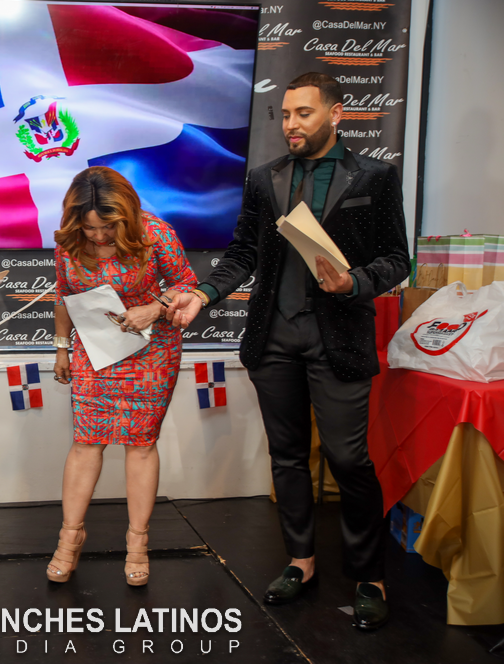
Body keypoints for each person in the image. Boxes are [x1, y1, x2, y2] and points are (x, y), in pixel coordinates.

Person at [166, 72, 409, 630]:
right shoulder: (264, 178)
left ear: (336, 114)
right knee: (288, 457)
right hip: (273, 339)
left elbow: (398, 259)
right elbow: (242, 253)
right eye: (286, 114)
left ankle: (369, 575)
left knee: (349, 460)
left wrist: (355, 281)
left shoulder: (374, 176)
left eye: (304, 113)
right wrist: (203, 294)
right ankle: (301, 561)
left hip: (339, 340)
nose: (291, 125)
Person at [47, 167, 197, 587]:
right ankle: (70, 537)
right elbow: (64, 294)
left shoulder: (155, 233)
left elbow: (186, 284)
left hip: (152, 351)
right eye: (90, 228)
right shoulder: (69, 240)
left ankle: (137, 543)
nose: (98, 236)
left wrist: (155, 308)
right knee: (86, 442)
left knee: (140, 445)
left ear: (125, 214)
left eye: (107, 227)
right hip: (94, 351)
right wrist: (61, 348)